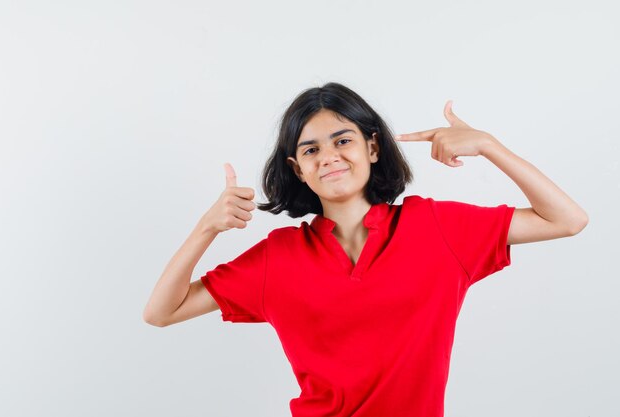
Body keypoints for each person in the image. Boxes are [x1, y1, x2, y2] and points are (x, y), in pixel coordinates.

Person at [143, 82, 588, 417]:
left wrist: (489, 146)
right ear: (298, 170)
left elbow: (567, 219)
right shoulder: (277, 257)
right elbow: (161, 312)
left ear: (372, 147)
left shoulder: (436, 227)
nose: (329, 156)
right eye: (311, 149)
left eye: (343, 140)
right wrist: (207, 228)